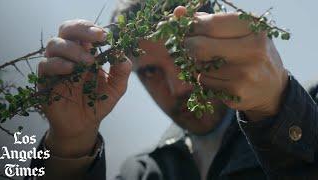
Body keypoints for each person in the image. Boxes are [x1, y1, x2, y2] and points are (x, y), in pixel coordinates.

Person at [28, 1, 318, 180]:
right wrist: (69, 144)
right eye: (151, 72)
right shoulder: (141, 173)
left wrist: (275, 108)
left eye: (185, 58)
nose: (178, 87)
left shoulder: (311, 107)